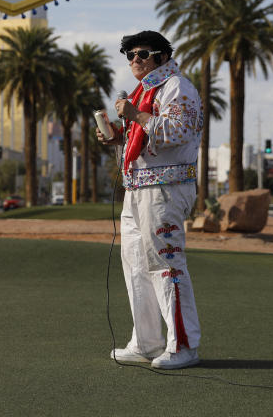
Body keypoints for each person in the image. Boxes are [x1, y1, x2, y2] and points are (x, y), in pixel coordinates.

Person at [97, 30, 204, 370]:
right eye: (129, 55)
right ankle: (145, 341)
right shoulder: (144, 92)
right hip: (136, 189)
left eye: (141, 54)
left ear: (161, 55)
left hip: (165, 190)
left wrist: (135, 116)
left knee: (166, 265)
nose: (134, 61)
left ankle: (183, 345)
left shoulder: (177, 87)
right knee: (136, 266)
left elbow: (178, 131)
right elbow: (146, 138)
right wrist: (117, 138)